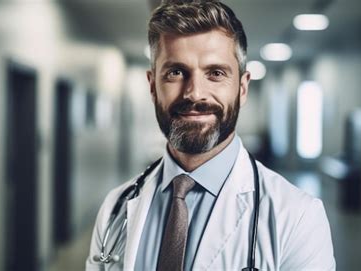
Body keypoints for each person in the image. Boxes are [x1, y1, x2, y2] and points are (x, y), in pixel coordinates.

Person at [86, 0, 335, 270]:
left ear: (242, 88)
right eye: (176, 72)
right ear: (152, 86)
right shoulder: (115, 209)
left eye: (215, 73)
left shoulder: (298, 218)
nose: (194, 93)